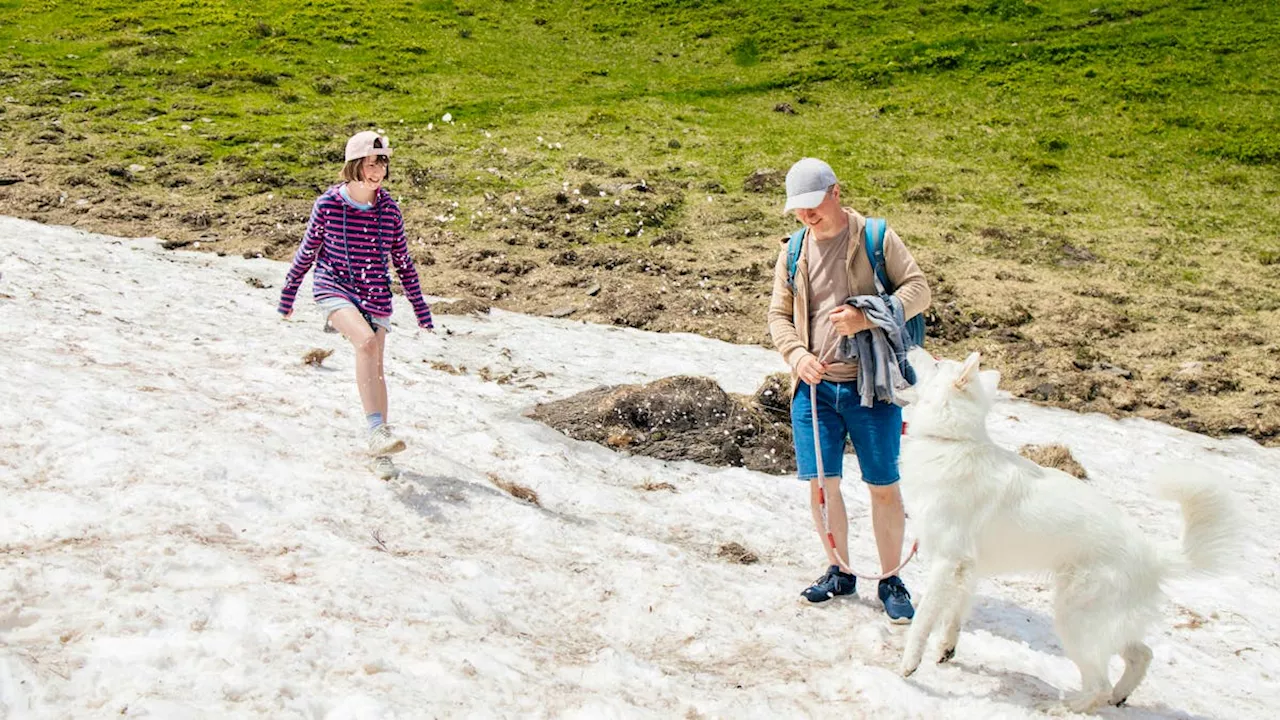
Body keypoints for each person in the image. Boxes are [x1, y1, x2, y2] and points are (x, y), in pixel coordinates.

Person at [766, 157, 931, 622]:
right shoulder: (793, 250)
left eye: (812, 206)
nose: (805, 216)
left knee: (883, 486)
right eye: (797, 210)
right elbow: (778, 315)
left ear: (835, 192)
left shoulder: (876, 237)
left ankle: (891, 577)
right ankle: (838, 571)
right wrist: (797, 355)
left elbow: (919, 289)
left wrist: (869, 314)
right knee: (821, 487)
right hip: (813, 391)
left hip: (872, 389)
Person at [277, 131, 434, 480]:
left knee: (376, 364)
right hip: (334, 286)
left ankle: (380, 451)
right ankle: (377, 432)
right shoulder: (328, 205)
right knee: (364, 342)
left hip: (375, 291)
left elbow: (403, 262)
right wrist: (288, 295)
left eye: (382, 162)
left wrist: (421, 309)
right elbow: (307, 252)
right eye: (371, 162)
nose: (378, 169)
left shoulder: (389, 210)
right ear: (354, 165)